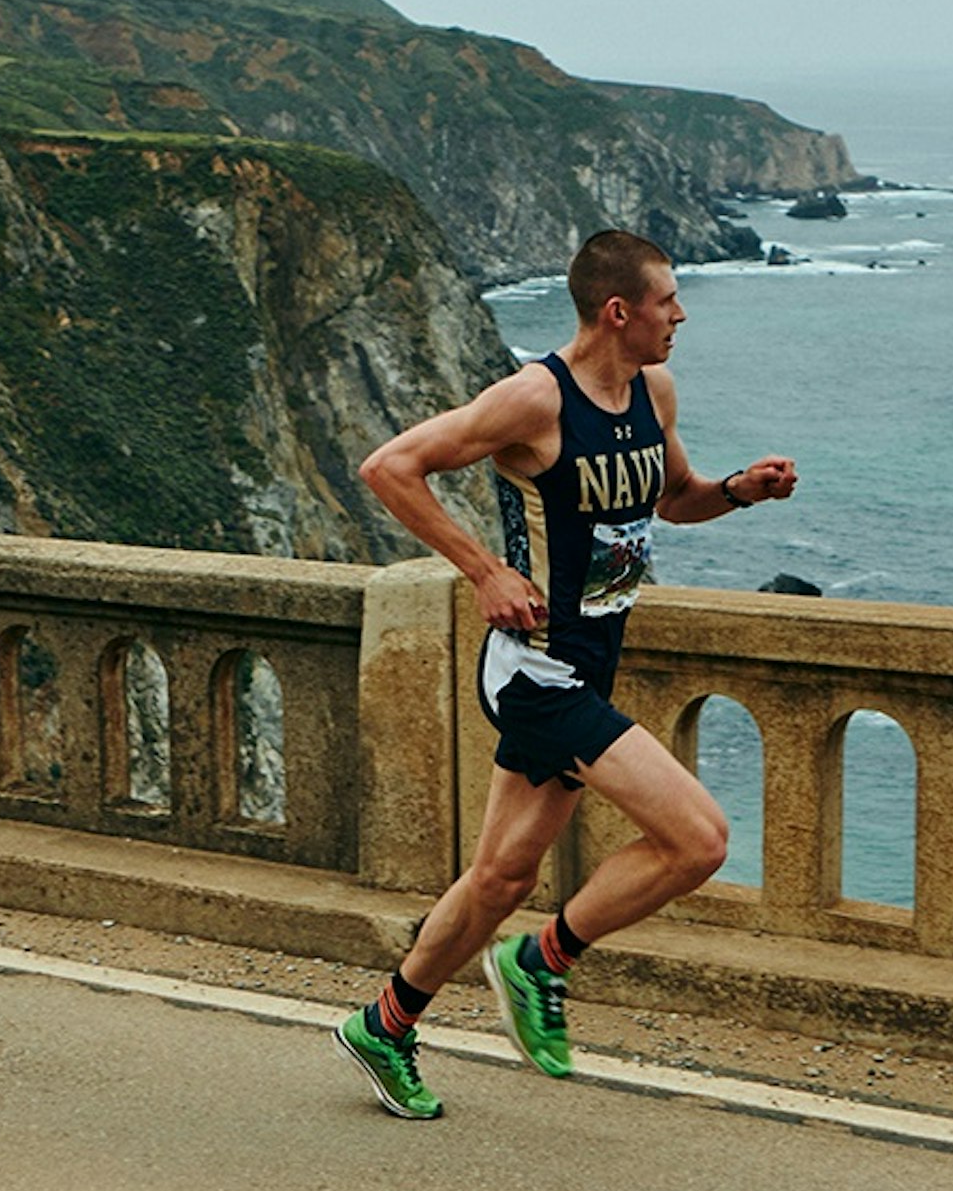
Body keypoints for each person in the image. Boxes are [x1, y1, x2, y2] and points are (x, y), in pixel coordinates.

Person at [335, 229, 799, 1119]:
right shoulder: (534, 399)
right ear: (619, 310)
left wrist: (740, 489)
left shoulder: (652, 390)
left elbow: (672, 499)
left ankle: (384, 1026)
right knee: (698, 839)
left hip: (592, 664)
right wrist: (484, 571)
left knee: (502, 877)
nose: (682, 315)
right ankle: (540, 960)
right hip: (537, 673)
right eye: (669, 301)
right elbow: (390, 467)